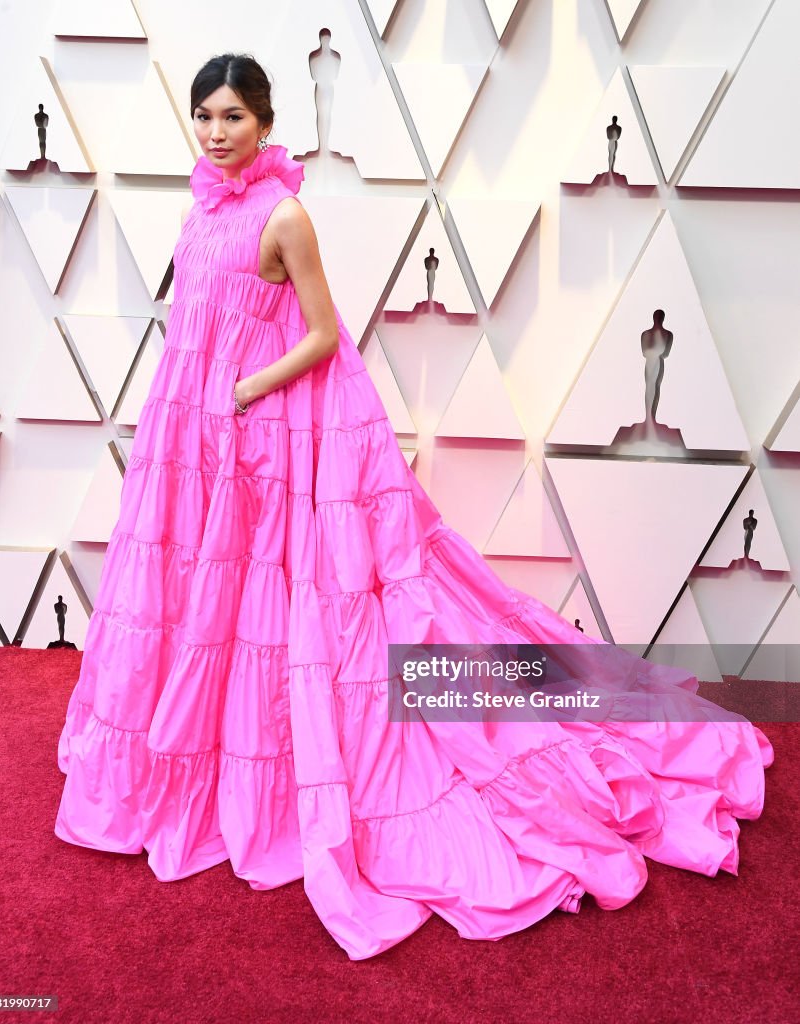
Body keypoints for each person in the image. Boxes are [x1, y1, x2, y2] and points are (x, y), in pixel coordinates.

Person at [54, 53, 774, 962]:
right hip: (194, 437)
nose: (215, 132)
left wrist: (243, 392)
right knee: (203, 602)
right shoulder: (201, 209)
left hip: (258, 431)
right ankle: (186, 763)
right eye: (204, 116)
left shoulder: (285, 216)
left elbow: (321, 335)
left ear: (266, 124)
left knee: (299, 611)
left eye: (232, 116)